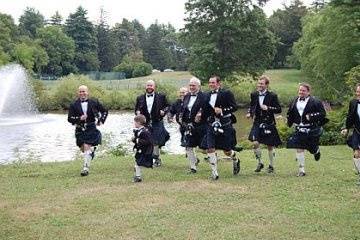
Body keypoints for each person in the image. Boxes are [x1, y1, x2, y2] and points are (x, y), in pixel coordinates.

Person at [202, 75, 240, 180]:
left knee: (227, 151)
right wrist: (199, 114)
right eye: (209, 82)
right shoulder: (206, 95)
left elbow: (235, 107)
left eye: (213, 83)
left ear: (219, 83)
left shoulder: (227, 93)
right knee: (210, 148)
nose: (211, 84)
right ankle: (214, 173)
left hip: (225, 125)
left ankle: (235, 159)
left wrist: (222, 111)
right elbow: (205, 109)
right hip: (211, 124)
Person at [286, 83, 328, 177]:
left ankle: (316, 150)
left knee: (312, 148)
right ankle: (301, 170)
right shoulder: (294, 101)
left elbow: (322, 114)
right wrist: (288, 121)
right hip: (299, 128)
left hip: (311, 128)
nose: (301, 92)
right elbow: (290, 112)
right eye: (300, 90)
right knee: (299, 148)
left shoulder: (315, 101)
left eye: (303, 90)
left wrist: (311, 116)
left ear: (308, 92)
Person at [68, 85, 108, 176]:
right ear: (78, 93)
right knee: (83, 148)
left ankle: (85, 168)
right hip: (79, 128)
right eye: (80, 92)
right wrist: (79, 118)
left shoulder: (94, 102)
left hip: (91, 127)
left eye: (84, 91)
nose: (82, 93)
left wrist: (101, 120)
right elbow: (69, 119)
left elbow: (105, 111)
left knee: (86, 146)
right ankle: (91, 152)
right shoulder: (73, 104)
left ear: (88, 92)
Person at [247, 75, 282, 173]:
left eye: (261, 84)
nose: (259, 85)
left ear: (267, 85)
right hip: (257, 122)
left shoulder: (272, 96)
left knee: (270, 145)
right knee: (255, 142)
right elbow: (252, 106)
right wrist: (250, 113)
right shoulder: (254, 94)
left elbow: (279, 109)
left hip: (268, 122)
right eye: (258, 83)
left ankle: (271, 165)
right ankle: (260, 163)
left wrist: (268, 108)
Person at [135, 80, 169, 167]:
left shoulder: (161, 96)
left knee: (156, 141)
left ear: (154, 87)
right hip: (145, 123)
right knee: (146, 141)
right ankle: (146, 159)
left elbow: (167, 106)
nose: (149, 87)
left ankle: (157, 159)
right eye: (148, 85)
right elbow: (136, 109)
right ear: (145, 87)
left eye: (151, 85)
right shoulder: (140, 98)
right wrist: (138, 112)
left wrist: (163, 112)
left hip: (157, 121)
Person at [180, 77, 208, 173]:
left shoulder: (205, 96)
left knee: (204, 148)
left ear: (199, 86)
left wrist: (201, 114)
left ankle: (213, 157)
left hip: (202, 125)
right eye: (190, 85)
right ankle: (193, 168)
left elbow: (208, 109)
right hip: (189, 125)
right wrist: (181, 121)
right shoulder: (187, 96)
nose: (191, 87)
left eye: (193, 85)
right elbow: (184, 109)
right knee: (188, 146)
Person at [341, 84, 360, 185]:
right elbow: (350, 117)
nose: (358, 94)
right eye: (357, 92)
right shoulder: (353, 102)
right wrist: (346, 128)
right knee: (356, 152)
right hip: (357, 131)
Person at [132, 114, 154, 183]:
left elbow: (148, 141)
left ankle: (138, 177)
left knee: (138, 163)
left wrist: (137, 140)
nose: (134, 124)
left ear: (138, 123)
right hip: (139, 150)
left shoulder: (145, 131)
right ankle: (138, 176)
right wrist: (134, 140)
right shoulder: (138, 130)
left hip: (144, 150)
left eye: (135, 122)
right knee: (137, 162)